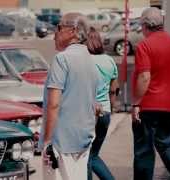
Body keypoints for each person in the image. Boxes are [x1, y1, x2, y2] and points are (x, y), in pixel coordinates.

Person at [39, 13, 101, 180]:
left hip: (61, 141)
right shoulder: (90, 60)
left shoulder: (62, 59)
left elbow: (53, 104)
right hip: (83, 138)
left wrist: (47, 143)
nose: (55, 33)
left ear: (73, 31)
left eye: (59, 28)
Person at [131, 7, 170, 180]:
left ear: (145, 25)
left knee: (144, 151)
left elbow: (144, 77)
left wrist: (136, 103)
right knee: (166, 145)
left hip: (149, 106)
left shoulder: (144, 45)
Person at [86, 27, 119, 180]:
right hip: (105, 112)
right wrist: (111, 109)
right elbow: (114, 89)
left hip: (89, 113)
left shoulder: (84, 61)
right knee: (94, 154)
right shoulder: (110, 60)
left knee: (86, 156)